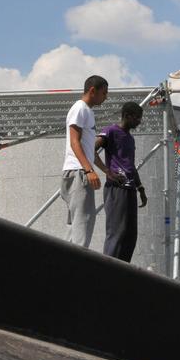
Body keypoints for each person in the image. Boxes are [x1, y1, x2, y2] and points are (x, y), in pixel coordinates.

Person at [95, 101, 147, 263]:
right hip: (117, 188)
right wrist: (107, 172)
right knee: (117, 231)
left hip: (130, 189)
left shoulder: (130, 139)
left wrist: (140, 188)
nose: (139, 121)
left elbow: (130, 165)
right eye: (137, 118)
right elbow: (91, 149)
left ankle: (123, 269)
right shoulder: (110, 131)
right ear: (127, 116)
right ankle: (108, 269)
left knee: (130, 234)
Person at [60, 75, 108, 247]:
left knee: (75, 228)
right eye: (104, 93)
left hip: (79, 172)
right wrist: (88, 170)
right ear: (92, 91)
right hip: (79, 173)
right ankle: (77, 268)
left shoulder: (88, 112)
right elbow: (75, 142)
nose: (106, 97)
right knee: (83, 225)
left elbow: (90, 150)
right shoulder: (80, 108)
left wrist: (106, 171)